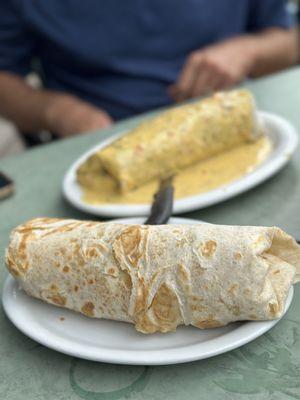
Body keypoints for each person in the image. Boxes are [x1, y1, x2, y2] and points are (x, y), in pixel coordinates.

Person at [0, 0, 298, 141]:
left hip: (233, 125)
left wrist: (248, 50)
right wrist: (57, 111)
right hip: (100, 141)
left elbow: (288, 43)